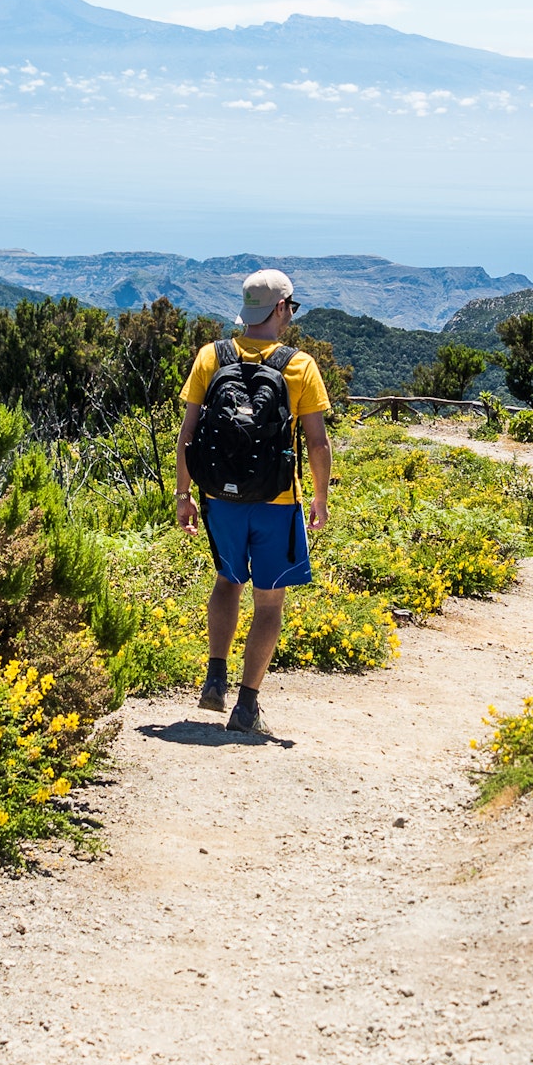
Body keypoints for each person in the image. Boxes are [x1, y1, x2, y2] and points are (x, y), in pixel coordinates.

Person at [172, 268, 333, 734]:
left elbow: (188, 436)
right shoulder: (298, 365)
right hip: (278, 500)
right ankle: (247, 707)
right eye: (292, 306)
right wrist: (320, 497)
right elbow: (317, 442)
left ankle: (214, 680)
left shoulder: (211, 356)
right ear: (280, 308)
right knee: (269, 603)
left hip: (219, 496)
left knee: (227, 581)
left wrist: (185, 495)